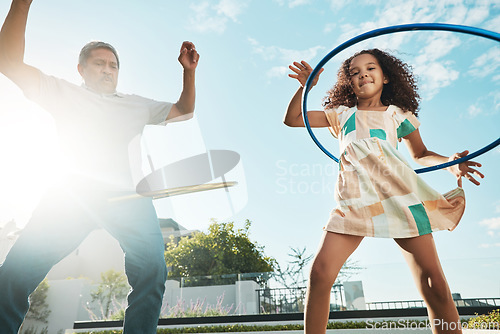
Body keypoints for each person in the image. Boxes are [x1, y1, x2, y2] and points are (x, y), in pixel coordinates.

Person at [0, 0, 199, 333]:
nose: (108, 70)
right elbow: (8, 62)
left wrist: (188, 72)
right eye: (99, 64)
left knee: (152, 269)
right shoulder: (60, 90)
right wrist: (21, 4)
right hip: (72, 196)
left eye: (113, 65)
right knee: (14, 275)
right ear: (81, 69)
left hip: (128, 198)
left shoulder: (136, 105)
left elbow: (184, 110)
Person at [284, 49, 484, 334]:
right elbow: (293, 119)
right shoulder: (341, 115)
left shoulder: (398, 115)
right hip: (355, 201)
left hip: (400, 196)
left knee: (434, 283)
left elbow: (422, 153)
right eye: (354, 72)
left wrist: (451, 165)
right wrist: (305, 88)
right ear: (348, 82)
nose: (362, 73)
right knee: (319, 273)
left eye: (370, 68)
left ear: (386, 76)